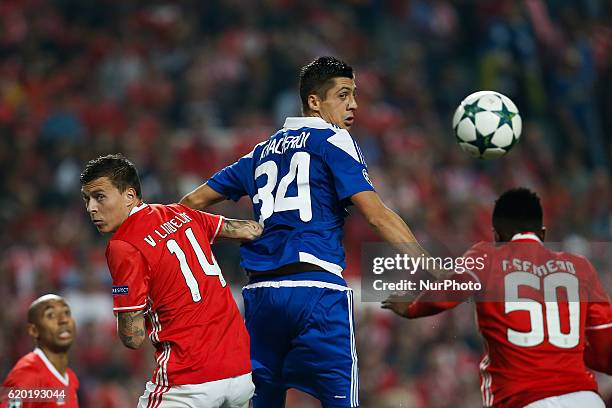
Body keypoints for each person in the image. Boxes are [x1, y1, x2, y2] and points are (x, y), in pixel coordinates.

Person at [180, 56, 433, 408]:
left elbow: (188, 205)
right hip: (317, 292)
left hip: (260, 296)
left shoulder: (258, 152)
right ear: (315, 102)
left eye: (354, 95)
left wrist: (234, 230)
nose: (354, 104)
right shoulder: (334, 140)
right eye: (343, 95)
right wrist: (429, 266)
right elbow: (376, 215)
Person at [383, 188, 612, 407]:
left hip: (524, 398)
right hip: (586, 399)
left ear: (497, 235)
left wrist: (413, 307)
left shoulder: (486, 255)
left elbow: (453, 287)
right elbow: (605, 351)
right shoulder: (580, 267)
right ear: (542, 233)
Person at [79, 154, 262, 408]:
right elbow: (247, 230)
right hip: (240, 373)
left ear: (130, 196)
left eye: (99, 197)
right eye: (86, 199)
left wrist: (129, 302)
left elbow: (132, 337)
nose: (91, 208)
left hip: (189, 381)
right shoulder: (180, 213)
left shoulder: (123, 245)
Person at [1, 294, 79, 408]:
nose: (63, 320)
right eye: (51, 315)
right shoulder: (28, 375)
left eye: (66, 313)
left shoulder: (70, 378)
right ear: (33, 330)